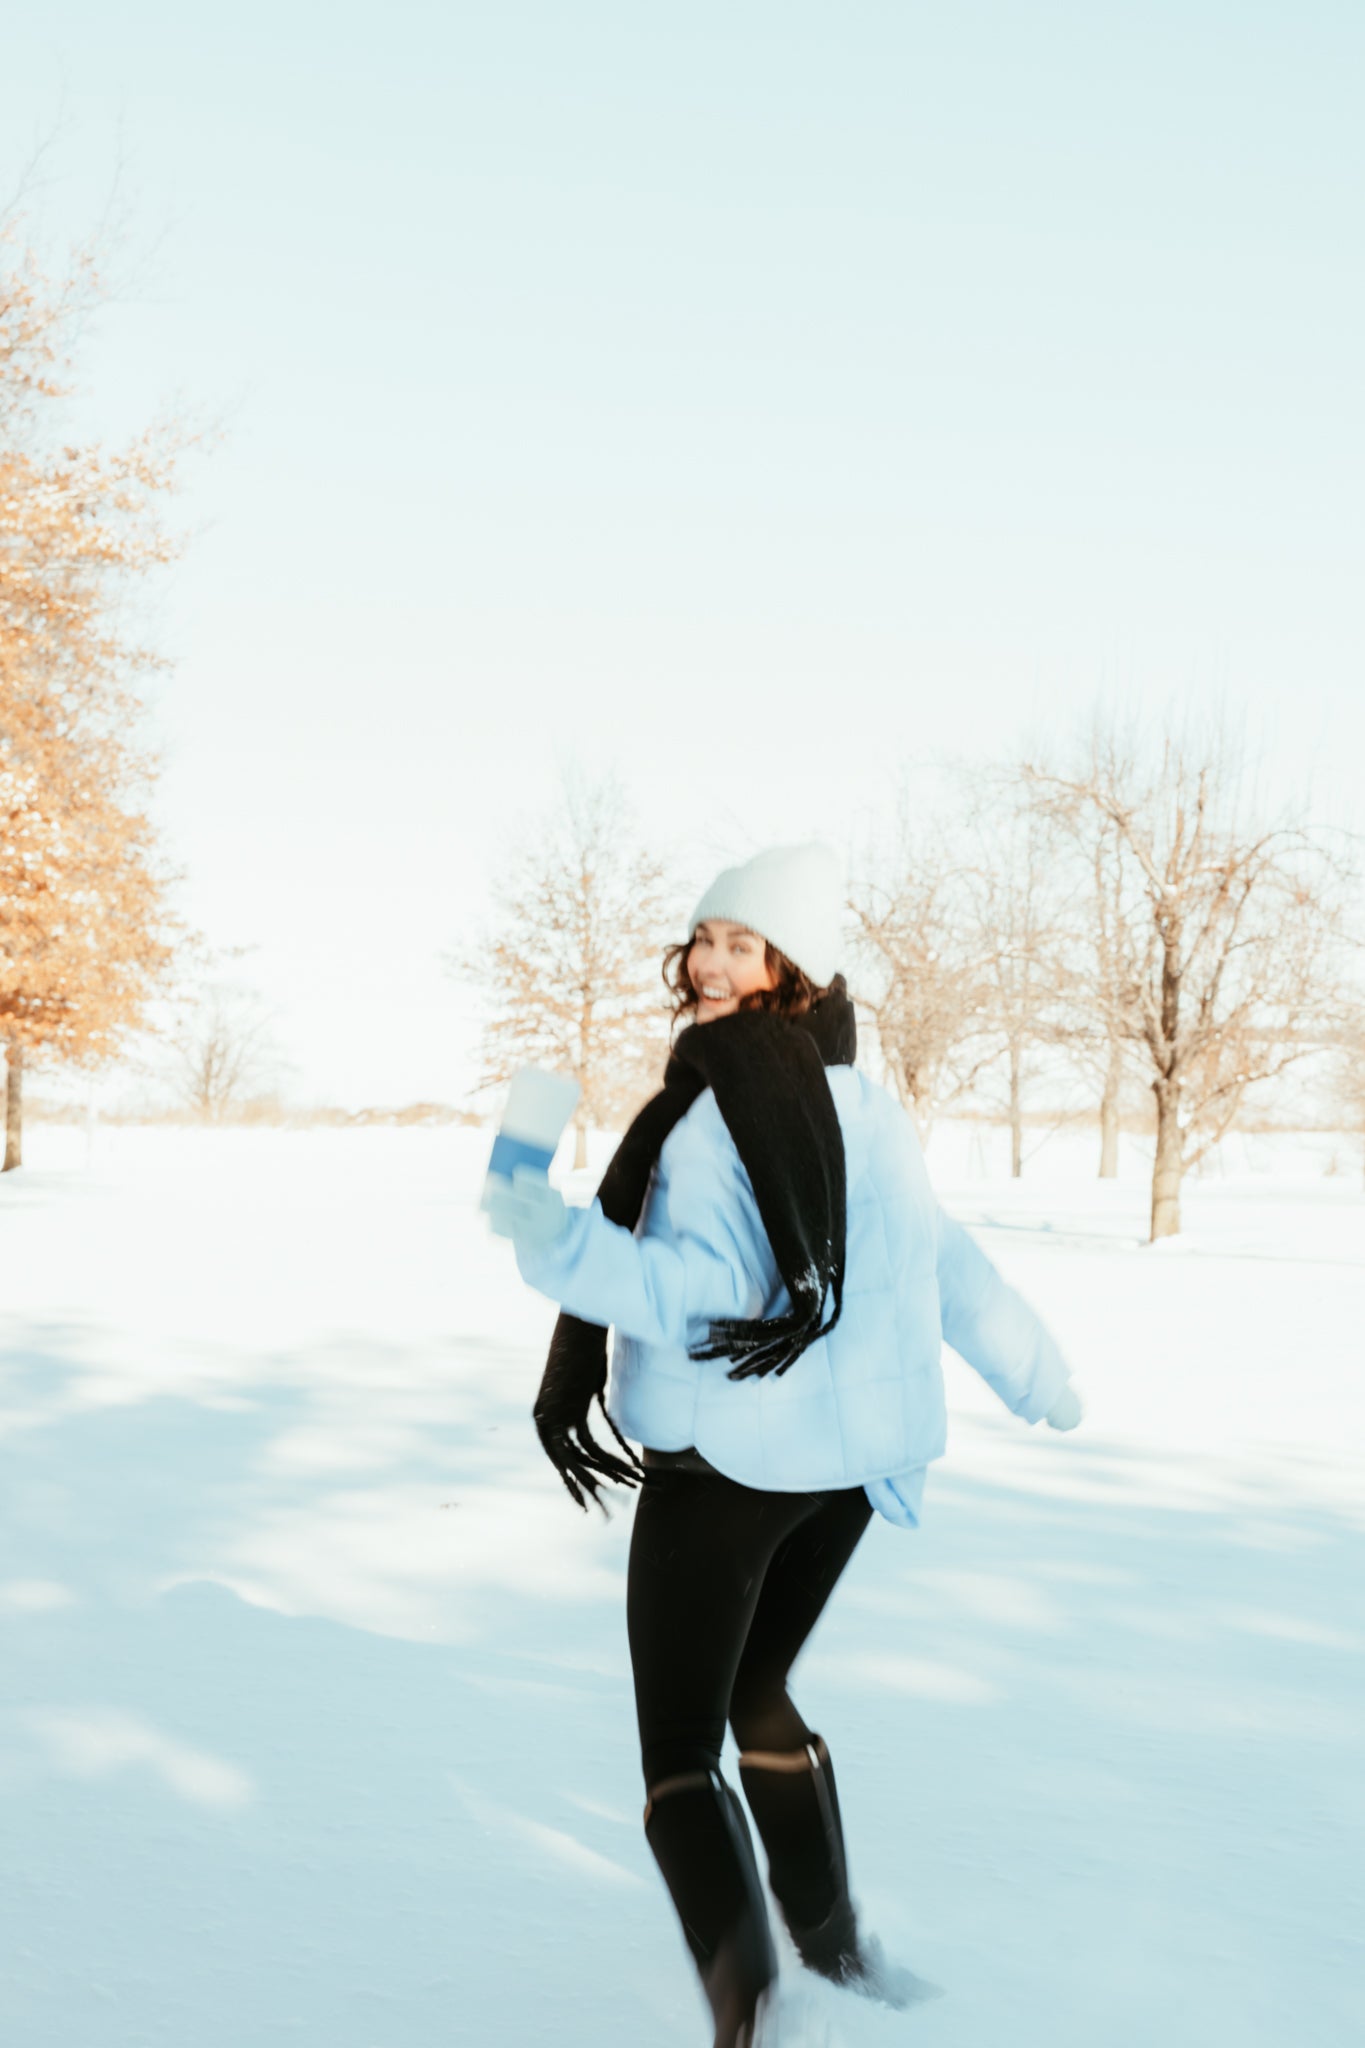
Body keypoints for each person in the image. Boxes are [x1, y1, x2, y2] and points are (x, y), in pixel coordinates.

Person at [486, 841, 1081, 2048]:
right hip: (847, 1472)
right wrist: (1036, 1370)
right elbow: (941, 1257)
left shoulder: (717, 1116)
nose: (707, 962)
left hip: (733, 1466)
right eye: (703, 936)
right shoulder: (864, 1101)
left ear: (792, 967)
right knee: (759, 1690)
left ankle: (750, 1998)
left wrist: (542, 1232)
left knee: (674, 1757)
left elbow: (703, 1291)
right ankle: (838, 1951)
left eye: (741, 943)